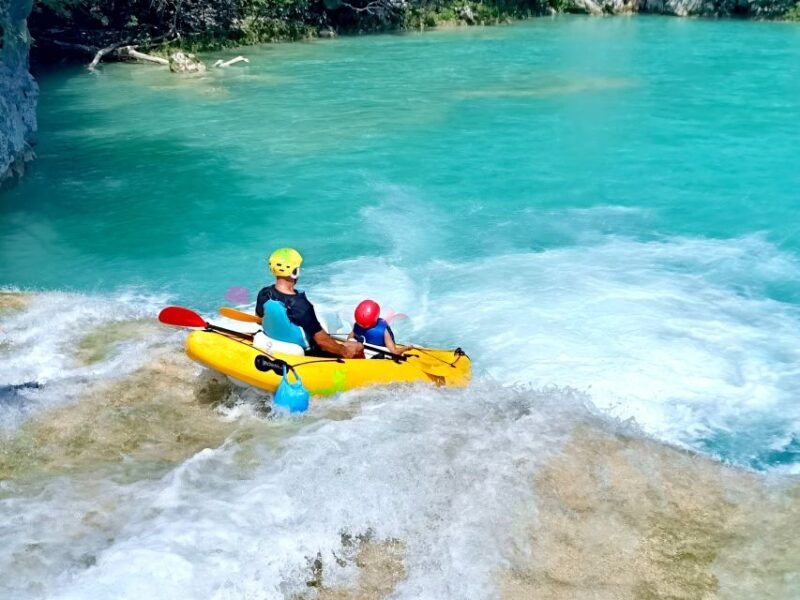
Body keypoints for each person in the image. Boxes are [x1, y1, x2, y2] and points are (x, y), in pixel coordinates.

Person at [256, 248, 363, 358]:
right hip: (308, 354)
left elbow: (260, 320)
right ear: (294, 272)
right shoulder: (301, 305)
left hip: (275, 344)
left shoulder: (264, 293)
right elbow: (323, 343)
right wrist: (345, 351)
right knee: (357, 347)